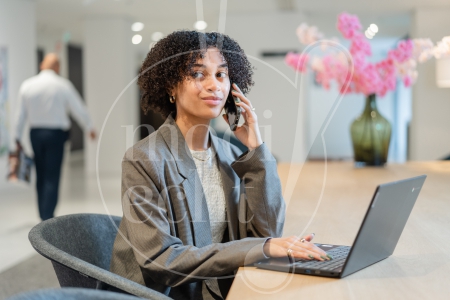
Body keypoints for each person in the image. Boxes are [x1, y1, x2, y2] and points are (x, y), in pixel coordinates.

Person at [110, 31, 328, 300]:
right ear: (170, 86)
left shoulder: (228, 153)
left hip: (220, 288)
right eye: (199, 74)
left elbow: (266, 234)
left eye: (221, 74)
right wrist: (263, 247)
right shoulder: (143, 159)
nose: (214, 85)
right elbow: (161, 260)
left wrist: (256, 150)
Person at [12, 53, 96, 221]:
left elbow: (20, 114)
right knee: (52, 175)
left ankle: (43, 213)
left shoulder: (28, 85)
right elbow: (78, 108)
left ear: (42, 65)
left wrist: (16, 137)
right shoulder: (63, 85)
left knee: (40, 173)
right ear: (57, 67)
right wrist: (89, 127)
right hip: (56, 135)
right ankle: (47, 215)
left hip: (35, 134)